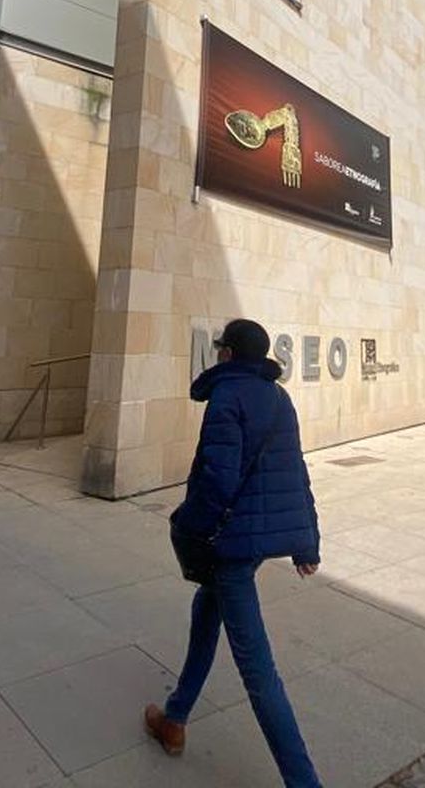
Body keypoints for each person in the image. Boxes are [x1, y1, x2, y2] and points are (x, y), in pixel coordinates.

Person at [145, 318, 322, 787]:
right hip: (253, 539)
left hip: (230, 545)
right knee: (206, 616)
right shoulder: (279, 397)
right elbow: (295, 472)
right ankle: (175, 717)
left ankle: (304, 782)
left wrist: (189, 525)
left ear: (226, 353)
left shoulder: (227, 396)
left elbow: (218, 479)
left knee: (259, 674)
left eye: (220, 346)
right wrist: (307, 541)